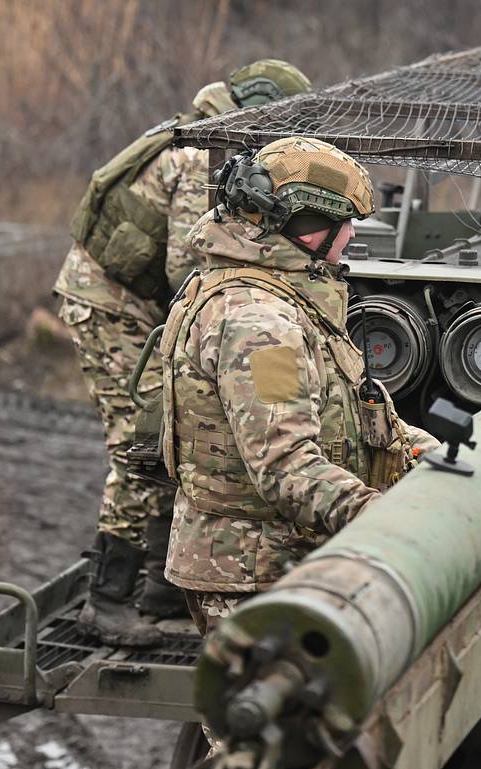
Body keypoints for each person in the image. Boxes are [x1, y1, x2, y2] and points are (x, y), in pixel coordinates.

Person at [55, 60, 312, 646]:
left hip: (137, 304)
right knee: (141, 442)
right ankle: (107, 600)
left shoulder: (208, 138)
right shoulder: (202, 156)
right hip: (110, 306)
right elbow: (183, 265)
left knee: (176, 432)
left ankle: (159, 588)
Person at [158, 136, 436, 637]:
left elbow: (350, 409)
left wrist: (429, 458)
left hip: (277, 565)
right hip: (254, 574)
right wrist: (387, 522)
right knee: (271, 716)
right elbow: (285, 465)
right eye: (343, 221)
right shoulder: (260, 325)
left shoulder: (281, 296)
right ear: (306, 228)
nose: (351, 235)